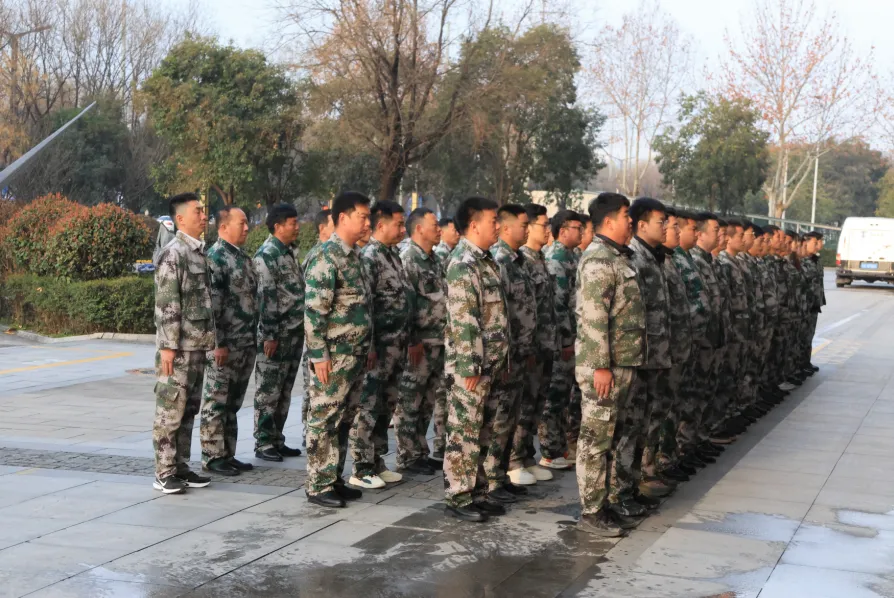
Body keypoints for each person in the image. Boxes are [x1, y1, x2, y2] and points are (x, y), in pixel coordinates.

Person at [575, 192, 645, 537]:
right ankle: (592, 511)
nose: (630, 221)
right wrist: (601, 366)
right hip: (605, 367)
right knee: (595, 440)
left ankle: (607, 503)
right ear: (608, 220)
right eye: (625, 215)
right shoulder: (599, 259)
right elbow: (593, 317)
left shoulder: (619, 257)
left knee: (613, 438)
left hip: (624, 363)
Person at [304, 191, 373, 508]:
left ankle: (333, 478)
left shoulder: (355, 256)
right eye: (363, 217)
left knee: (345, 419)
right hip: (333, 356)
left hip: (354, 355)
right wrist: (319, 355)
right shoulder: (326, 257)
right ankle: (318, 485)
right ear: (343, 218)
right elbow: (314, 312)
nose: (368, 223)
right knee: (325, 418)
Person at [443, 196, 509, 522]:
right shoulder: (463, 263)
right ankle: (459, 496)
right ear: (473, 224)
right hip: (471, 367)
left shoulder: (486, 261)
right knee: (464, 432)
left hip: (491, 364)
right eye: (493, 221)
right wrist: (470, 366)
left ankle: (478, 492)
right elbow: (464, 320)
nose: (498, 226)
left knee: (483, 432)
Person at [152, 192, 214, 494]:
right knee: (170, 411)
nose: (203, 216)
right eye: (197, 211)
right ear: (180, 219)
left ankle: (181, 466)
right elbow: (167, 301)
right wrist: (168, 346)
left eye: (203, 211)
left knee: (189, 410)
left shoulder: (198, 252)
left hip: (196, 345)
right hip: (177, 349)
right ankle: (164, 472)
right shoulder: (173, 253)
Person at [352, 201, 414, 488]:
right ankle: (361, 467)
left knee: (386, 405)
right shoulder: (370, 258)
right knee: (368, 406)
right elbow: (365, 306)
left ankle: (377, 461)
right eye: (398, 224)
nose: (403, 230)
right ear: (380, 225)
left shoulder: (393, 255)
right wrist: (370, 347)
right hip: (378, 348)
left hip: (396, 346)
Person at [200, 206, 257, 476]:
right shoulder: (216, 258)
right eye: (241, 223)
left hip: (244, 342)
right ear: (223, 227)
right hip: (224, 345)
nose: (246, 228)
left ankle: (227, 453)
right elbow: (212, 307)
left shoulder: (242, 258)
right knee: (216, 400)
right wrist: (217, 343)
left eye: (247, 223)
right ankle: (212, 456)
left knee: (233, 402)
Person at [627, 198, 675, 503]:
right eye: (661, 222)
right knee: (634, 423)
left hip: (656, 354)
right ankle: (634, 481)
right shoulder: (635, 258)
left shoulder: (655, 257)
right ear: (642, 225)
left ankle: (642, 476)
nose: (666, 227)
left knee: (650, 418)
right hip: (640, 357)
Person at [252, 204, 305, 462]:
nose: (297, 227)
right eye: (292, 223)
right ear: (278, 226)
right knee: (268, 390)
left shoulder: (289, 252)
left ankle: (277, 438)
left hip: (294, 332)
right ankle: (263, 442)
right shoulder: (267, 255)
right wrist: (269, 335)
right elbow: (266, 297)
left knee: (284, 390)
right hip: (277, 335)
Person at [396, 208, 448, 473]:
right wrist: (412, 340)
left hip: (437, 341)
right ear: (419, 229)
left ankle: (420, 451)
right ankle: (407, 455)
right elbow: (406, 303)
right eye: (434, 225)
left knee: (427, 401)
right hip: (419, 343)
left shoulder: (434, 259)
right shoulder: (409, 258)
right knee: (410, 400)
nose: (439, 230)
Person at [490, 205, 537, 494]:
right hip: (508, 355)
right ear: (506, 228)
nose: (527, 230)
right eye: (523, 224)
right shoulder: (500, 260)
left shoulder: (519, 260)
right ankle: (492, 478)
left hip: (521, 353)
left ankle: (502, 474)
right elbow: (501, 314)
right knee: (501, 417)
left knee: (511, 417)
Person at [513, 203, 556, 483]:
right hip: (528, 347)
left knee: (536, 404)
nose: (548, 229)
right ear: (528, 227)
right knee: (522, 405)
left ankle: (528, 457)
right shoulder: (522, 261)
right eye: (544, 224)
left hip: (544, 344)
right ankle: (514, 459)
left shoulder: (540, 259)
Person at [540, 209, 585, 470]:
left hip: (573, 337)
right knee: (555, 395)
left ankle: (559, 447)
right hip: (560, 341)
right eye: (577, 228)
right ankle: (550, 450)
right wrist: (566, 340)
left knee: (565, 396)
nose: (581, 233)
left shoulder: (572, 255)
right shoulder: (556, 258)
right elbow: (558, 305)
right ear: (563, 230)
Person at [654, 207, 692, 484]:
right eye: (672, 225)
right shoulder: (648, 261)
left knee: (671, 407)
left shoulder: (670, 260)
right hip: (657, 353)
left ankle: (666, 459)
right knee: (656, 413)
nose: (676, 231)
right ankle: (654, 466)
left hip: (675, 349)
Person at [301, 209, 335, 445]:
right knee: (312, 388)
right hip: (316, 338)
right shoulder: (319, 256)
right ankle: (309, 433)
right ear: (323, 229)